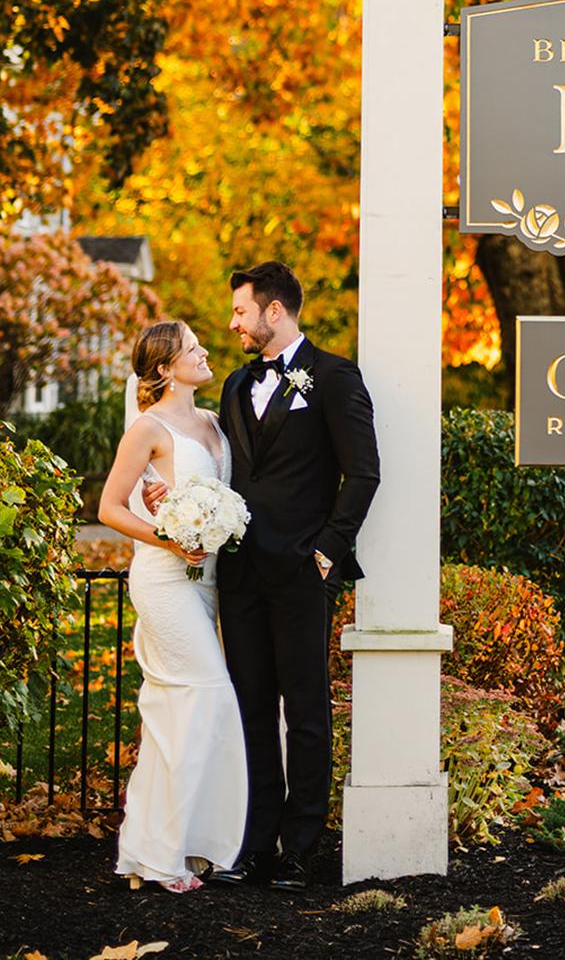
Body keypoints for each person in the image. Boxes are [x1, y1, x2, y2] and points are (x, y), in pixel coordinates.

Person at [150, 260, 380, 891]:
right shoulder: (233, 383)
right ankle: (255, 843)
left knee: (306, 710)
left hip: (304, 571)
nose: (233, 324)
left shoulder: (335, 378)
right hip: (241, 573)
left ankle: (302, 847)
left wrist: (329, 550)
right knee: (252, 707)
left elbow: (363, 473)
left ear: (274, 311)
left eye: (241, 312)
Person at [98, 321, 248, 892]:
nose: (204, 351)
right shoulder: (148, 428)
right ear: (164, 369)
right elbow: (110, 507)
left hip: (208, 582)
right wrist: (169, 536)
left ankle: (166, 848)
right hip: (164, 579)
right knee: (206, 695)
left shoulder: (213, 422)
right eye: (192, 348)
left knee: (175, 712)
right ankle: (163, 857)